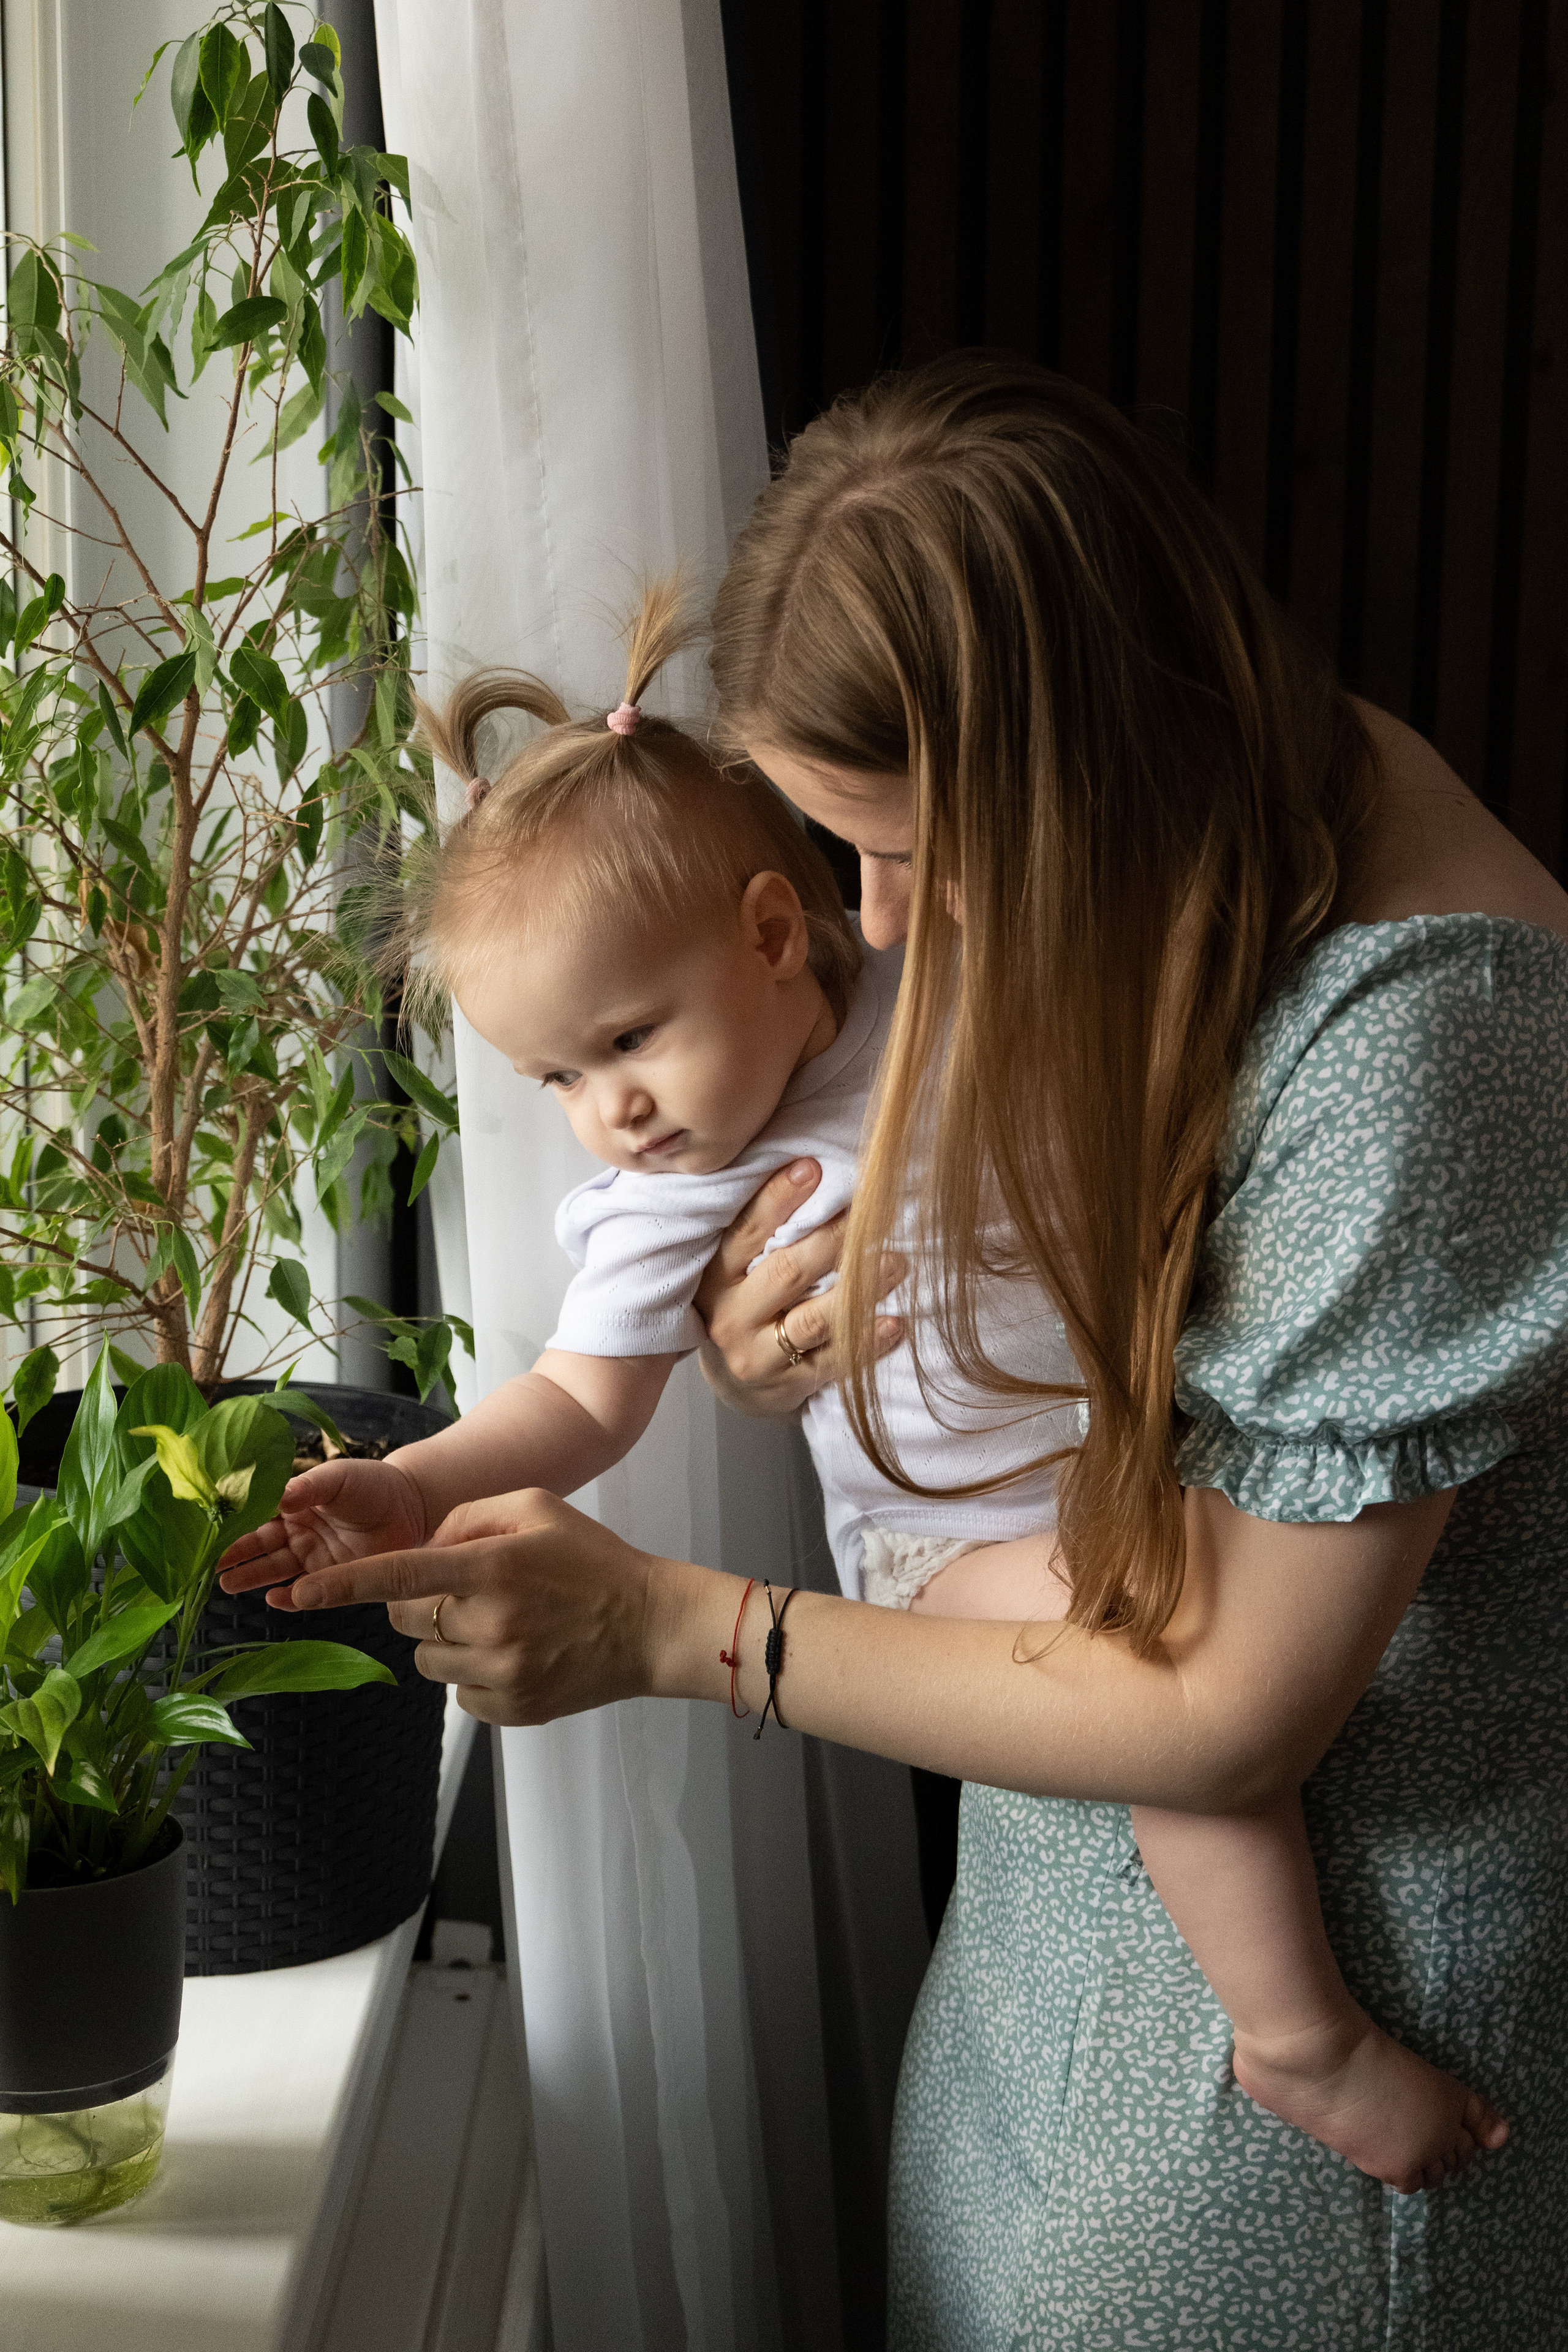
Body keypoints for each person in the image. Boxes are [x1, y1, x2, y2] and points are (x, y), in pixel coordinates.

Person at [236, 360, 1568, 2347]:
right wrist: (788, 1358)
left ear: (1089, 765)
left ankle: (1304, 2035)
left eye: (911, 855)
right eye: (845, 849)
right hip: (1048, 1912)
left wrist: (678, 1629)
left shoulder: (1423, 1040)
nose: (881, 928)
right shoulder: (1222, 808)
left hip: (1265, 2113)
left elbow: (1219, 1708)